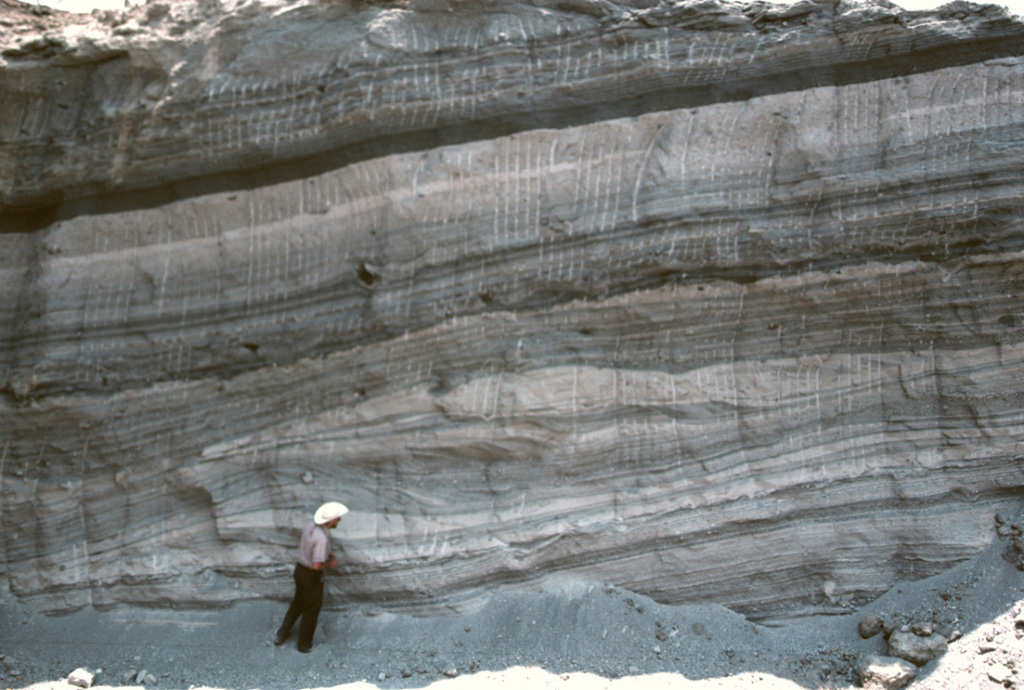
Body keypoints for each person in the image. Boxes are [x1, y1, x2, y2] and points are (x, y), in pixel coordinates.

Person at [274, 501, 348, 652]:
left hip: (300, 570)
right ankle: (304, 644)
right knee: (311, 610)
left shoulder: (310, 526)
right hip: (311, 576)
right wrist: (330, 563)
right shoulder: (322, 539)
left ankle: (281, 634)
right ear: (330, 521)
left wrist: (326, 553)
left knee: (298, 603)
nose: (339, 520)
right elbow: (316, 565)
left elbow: (310, 548)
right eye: (337, 518)